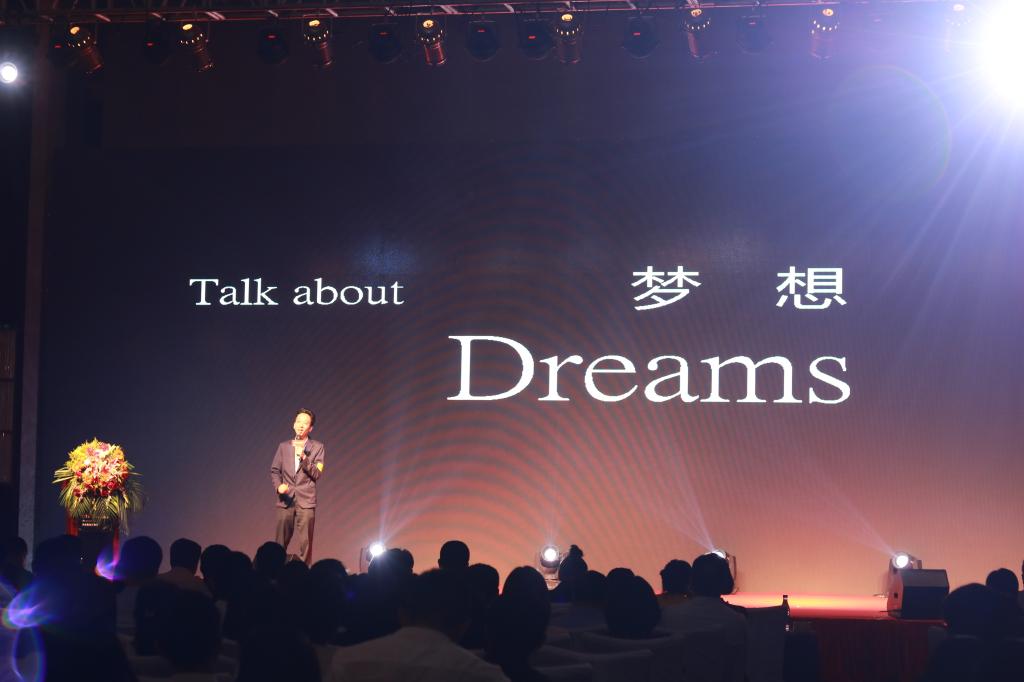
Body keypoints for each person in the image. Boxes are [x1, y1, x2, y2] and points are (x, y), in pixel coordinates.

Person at [271, 408, 325, 565]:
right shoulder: (283, 446)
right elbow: (274, 470)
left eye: (305, 423)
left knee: (305, 544)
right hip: (285, 500)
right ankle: (275, 572)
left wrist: (303, 457)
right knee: (279, 543)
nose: (301, 425)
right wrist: (278, 486)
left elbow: (317, 473)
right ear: (294, 424)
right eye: (299, 422)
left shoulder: (318, 447)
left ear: (311, 428)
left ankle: (304, 574)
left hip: (306, 501)